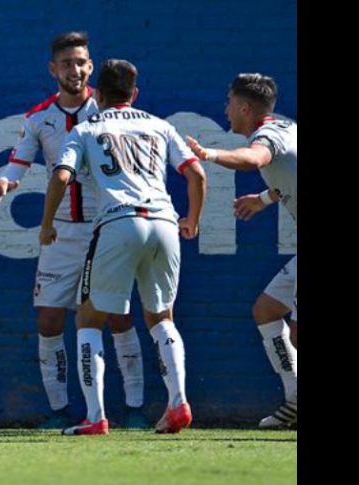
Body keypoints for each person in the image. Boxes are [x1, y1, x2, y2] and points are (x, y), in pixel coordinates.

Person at [0, 32, 147, 429]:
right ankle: (57, 410)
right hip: (60, 235)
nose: (74, 70)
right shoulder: (38, 118)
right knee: (48, 320)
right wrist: (8, 181)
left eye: (81, 62)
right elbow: (19, 161)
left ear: (91, 67)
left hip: (105, 228)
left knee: (119, 318)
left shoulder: (111, 111)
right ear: (52, 69)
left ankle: (134, 409)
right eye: (66, 63)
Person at [41, 59, 206, 435]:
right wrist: (192, 219)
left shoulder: (85, 128)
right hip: (164, 221)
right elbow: (196, 173)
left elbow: (61, 176)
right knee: (162, 318)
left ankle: (95, 416)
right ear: (135, 94)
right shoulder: (160, 124)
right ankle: (178, 402)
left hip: (117, 221)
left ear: (97, 95)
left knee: (87, 319)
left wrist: (48, 224)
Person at [186, 73, 297, 429]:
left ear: (245, 108)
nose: (226, 110)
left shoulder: (267, 137)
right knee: (267, 310)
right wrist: (265, 198)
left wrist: (208, 154)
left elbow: (253, 159)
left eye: (230, 103)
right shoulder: (288, 128)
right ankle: (295, 398)